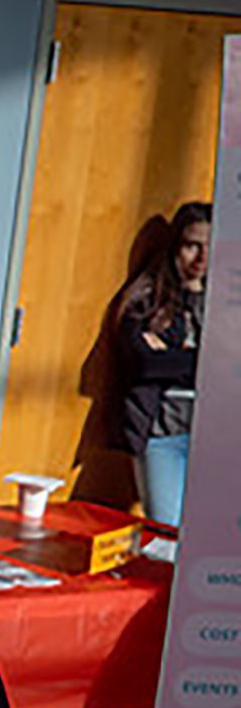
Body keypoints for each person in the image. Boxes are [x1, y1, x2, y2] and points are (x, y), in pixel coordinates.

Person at [116, 200, 209, 535]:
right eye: (191, 246)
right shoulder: (148, 298)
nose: (200, 259)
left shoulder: (227, 302)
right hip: (163, 437)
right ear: (175, 246)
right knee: (165, 536)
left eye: (209, 248)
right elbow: (142, 363)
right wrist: (204, 362)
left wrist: (173, 358)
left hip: (216, 439)